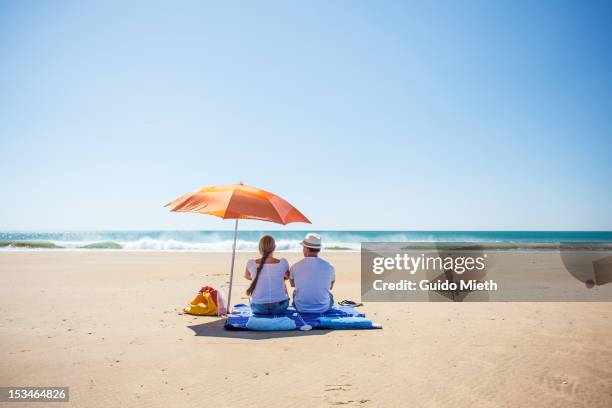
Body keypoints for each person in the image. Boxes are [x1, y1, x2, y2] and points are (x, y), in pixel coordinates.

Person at [289, 233, 335, 313]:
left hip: (301, 308)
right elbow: (330, 286)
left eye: (303, 247)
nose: (302, 249)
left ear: (306, 248)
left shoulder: (295, 266)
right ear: (318, 249)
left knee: (295, 292)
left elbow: (293, 284)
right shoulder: (329, 266)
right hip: (323, 308)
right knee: (330, 295)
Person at [244, 235, 290, 315]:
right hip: (279, 308)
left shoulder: (251, 263)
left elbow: (247, 276)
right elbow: (287, 276)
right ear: (274, 247)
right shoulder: (283, 262)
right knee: (283, 284)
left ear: (259, 248)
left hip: (258, 308)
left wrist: (261, 278)